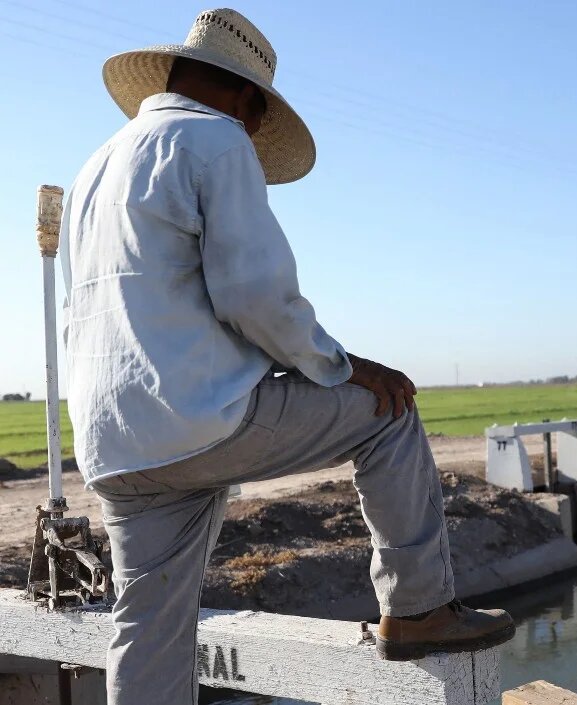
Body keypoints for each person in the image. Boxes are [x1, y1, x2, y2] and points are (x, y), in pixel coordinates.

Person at [59, 8, 514, 704]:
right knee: (385, 414)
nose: (253, 131)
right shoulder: (213, 138)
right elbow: (255, 297)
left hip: (113, 443)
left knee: (146, 622)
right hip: (197, 416)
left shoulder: (95, 164)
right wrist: (345, 364)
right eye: (256, 116)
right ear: (245, 96)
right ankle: (419, 609)